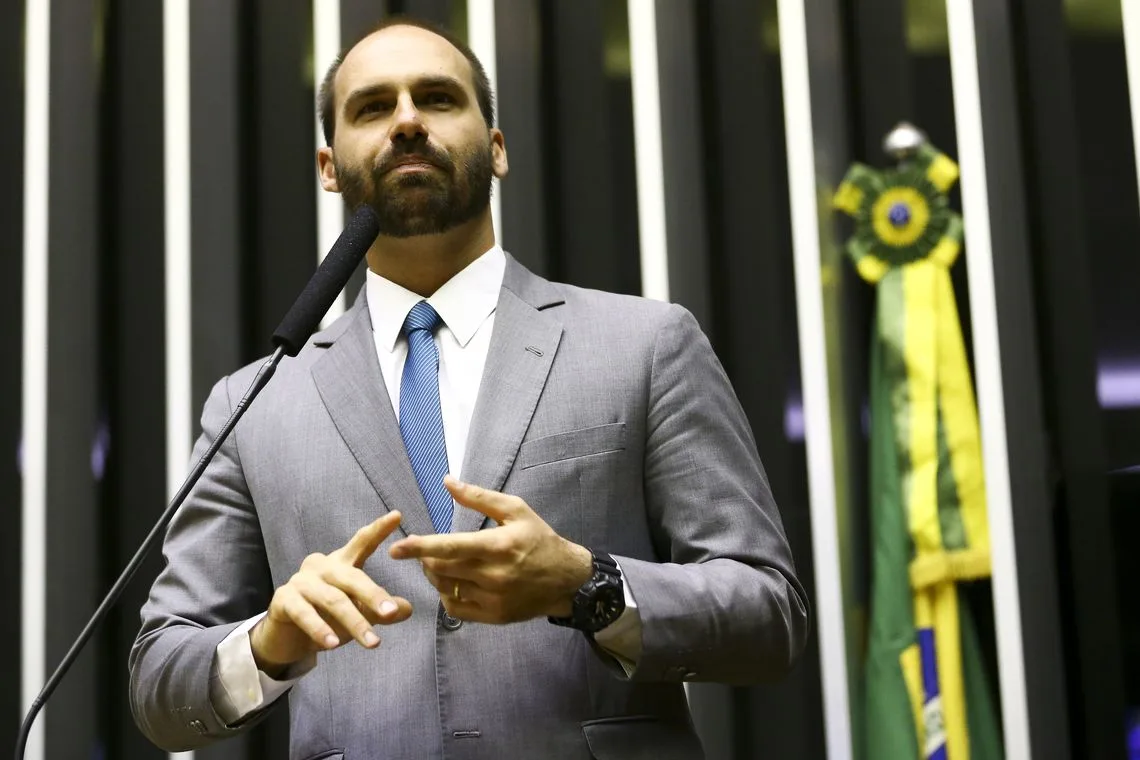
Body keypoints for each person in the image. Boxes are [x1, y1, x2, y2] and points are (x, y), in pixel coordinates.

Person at [129, 15, 809, 760]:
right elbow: (161, 684)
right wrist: (270, 642)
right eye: (373, 107)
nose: (408, 121)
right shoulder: (254, 403)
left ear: (497, 148)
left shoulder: (645, 345)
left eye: (438, 99)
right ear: (329, 165)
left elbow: (768, 615)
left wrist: (589, 586)